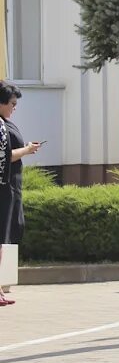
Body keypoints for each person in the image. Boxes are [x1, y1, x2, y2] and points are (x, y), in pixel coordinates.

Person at [0, 82, 41, 248]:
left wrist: (26, 149)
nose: (14, 108)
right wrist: (27, 150)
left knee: (14, 227)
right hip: (5, 187)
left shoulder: (4, 122)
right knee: (6, 232)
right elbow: (4, 157)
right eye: (12, 104)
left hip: (12, 186)